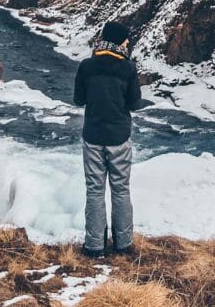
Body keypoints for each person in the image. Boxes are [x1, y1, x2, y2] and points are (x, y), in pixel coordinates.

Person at [73, 20, 141, 257]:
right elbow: (135, 103)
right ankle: (123, 244)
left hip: (92, 136)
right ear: (119, 41)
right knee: (120, 190)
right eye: (126, 39)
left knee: (94, 190)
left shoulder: (87, 66)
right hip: (119, 138)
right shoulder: (128, 69)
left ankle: (94, 246)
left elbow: (78, 100)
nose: (128, 42)